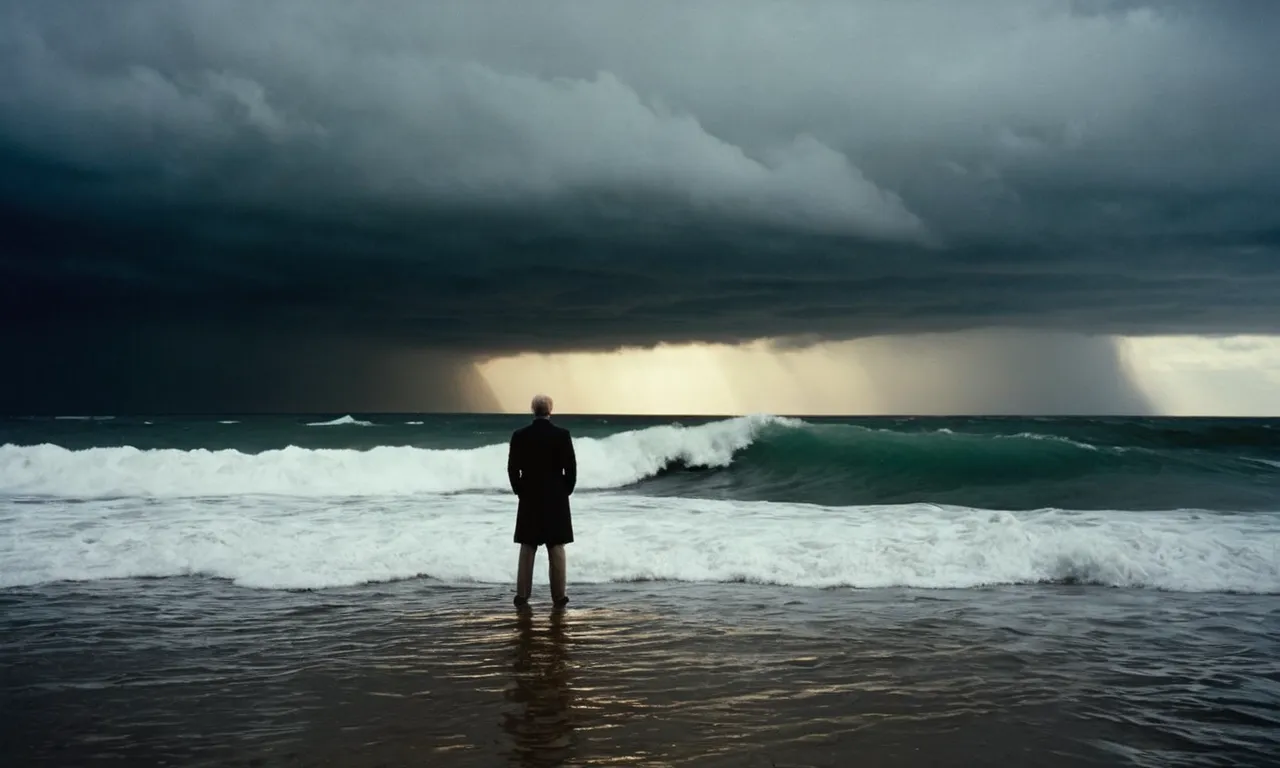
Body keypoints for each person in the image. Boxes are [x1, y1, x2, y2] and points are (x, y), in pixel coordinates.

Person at [507, 393, 577, 609]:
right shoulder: (562, 435)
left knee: (528, 546)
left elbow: (512, 468)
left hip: (529, 495)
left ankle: (522, 595)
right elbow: (571, 468)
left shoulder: (520, 435)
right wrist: (565, 490)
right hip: (556, 497)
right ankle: (559, 596)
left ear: (532, 410)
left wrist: (519, 490)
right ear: (550, 411)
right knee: (556, 546)